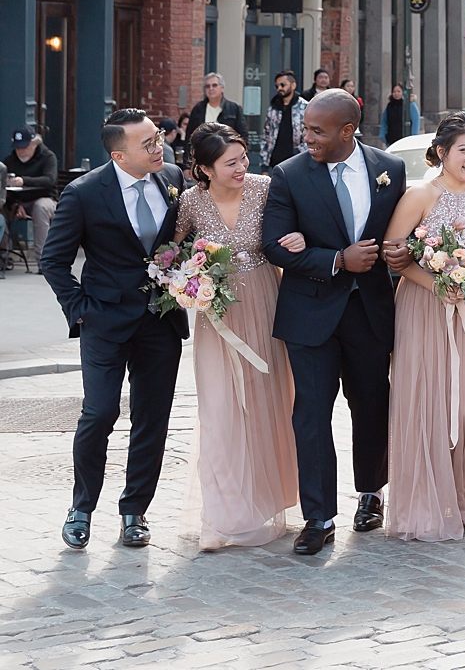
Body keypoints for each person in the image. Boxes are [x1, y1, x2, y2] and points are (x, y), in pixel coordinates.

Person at [260, 90, 409, 556]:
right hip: (310, 314)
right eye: (306, 128)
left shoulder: (392, 169)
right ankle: (318, 516)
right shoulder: (287, 174)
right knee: (311, 413)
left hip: (370, 313)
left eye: (317, 131)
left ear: (348, 131)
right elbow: (274, 245)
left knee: (371, 405)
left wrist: (404, 252)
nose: (307, 138)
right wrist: (337, 260)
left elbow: (403, 231)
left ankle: (371, 493)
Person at [40, 110, 190, 550]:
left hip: (161, 321)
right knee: (100, 412)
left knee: (152, 419)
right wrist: (81, 310)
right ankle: (81, 506)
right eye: (148, 143)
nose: (158, 146)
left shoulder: (173, 178)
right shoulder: (84, 193)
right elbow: (54, 261)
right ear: (119, 154)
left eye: (158, 137)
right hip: (104, 321)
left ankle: (134, 511)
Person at [173, 124, 300, 549]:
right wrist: (184, 278)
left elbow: (294, 229)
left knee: (267, 402)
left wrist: (298, 238)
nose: (243, 167)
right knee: (221, 408)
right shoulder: (191, 201)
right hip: (218, 313)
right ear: (205, 169)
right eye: (231, 162)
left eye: (244, 157)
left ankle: (265, 502)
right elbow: (169, 253)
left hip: (266, 300)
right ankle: (223, 517)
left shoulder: (265, 188)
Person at [385, 113, 465, 541]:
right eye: (464, 150)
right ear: (441, 153)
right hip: (425, 307)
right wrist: (437, 282)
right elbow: (393, 250)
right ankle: (425, 501)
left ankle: (463, 495)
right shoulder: (420, 195)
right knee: (427, 398)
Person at [5, 125, 59, 258]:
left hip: (43, 198)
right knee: (1, 210)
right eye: (17, 148)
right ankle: (4, 256)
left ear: (34, 144)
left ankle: (44, 259)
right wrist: (14, 204)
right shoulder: (10, 160)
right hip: (17, 201)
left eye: (24, 147)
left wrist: (24, 181)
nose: (20, 151)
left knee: (41, 208)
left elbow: (49, 180)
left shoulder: (47, 157)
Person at [262, 70, 308, 169]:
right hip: (276, 162)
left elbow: (310, 133)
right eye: (277, 86)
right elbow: (266, 135)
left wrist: (301, 152)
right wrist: (264, 165)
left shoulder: (305, 107)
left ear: (293, 85)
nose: (279, 88)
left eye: (283, 85)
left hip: (297, 161)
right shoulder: (273, 107)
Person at [185, 73, 249, 142]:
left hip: (227, 151)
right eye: (207, 86)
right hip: (203, 151)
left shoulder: (234, 109)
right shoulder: (198, 109)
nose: (211, 88)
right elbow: (190, 136)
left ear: (222, 88)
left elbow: (243, 136)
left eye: (214, 85)